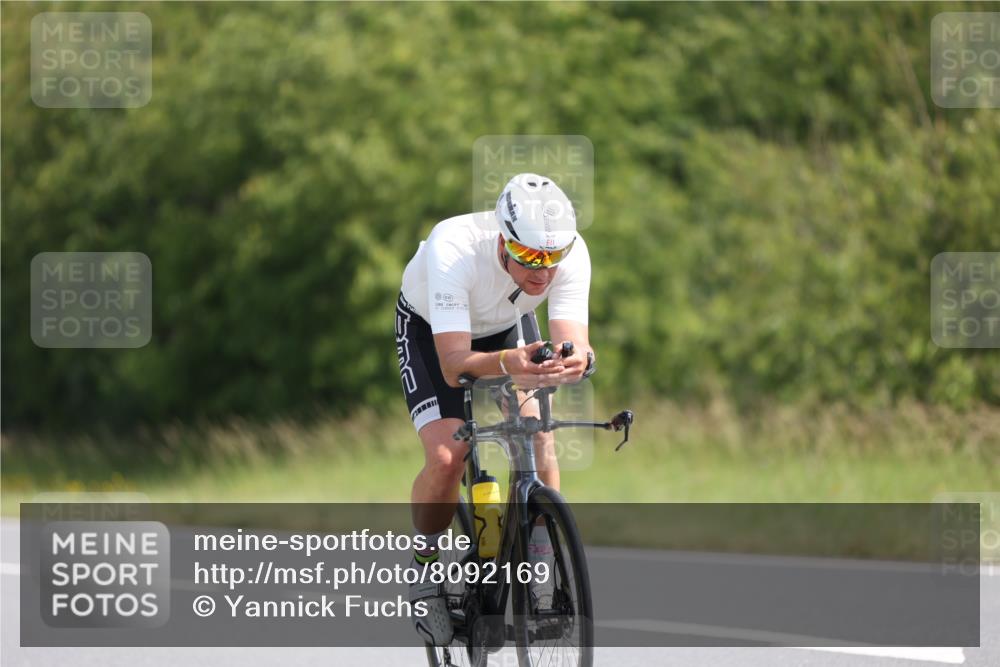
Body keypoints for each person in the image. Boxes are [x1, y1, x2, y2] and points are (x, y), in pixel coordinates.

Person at [394, 173, 594, 645]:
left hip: (506, 324)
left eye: (552, 258)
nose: (543, 272)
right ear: (504, 240)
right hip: (434, 330)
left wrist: (577, 362)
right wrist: (508, 363)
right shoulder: (453, 246)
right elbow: (453, 365)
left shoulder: (569, 252)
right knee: (448, 456)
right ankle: (424, 567)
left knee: (538, 431)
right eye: (530, 256)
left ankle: (540, 563)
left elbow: (577, 342)